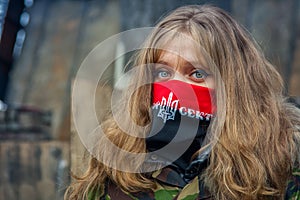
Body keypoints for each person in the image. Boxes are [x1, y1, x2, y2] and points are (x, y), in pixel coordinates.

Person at [65, 5, 300, 200]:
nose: (175, 88)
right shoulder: (116, 167)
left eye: (197, 74)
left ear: (231, 85)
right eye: (163, 73)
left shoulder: (280, 165)